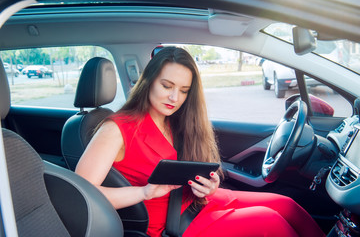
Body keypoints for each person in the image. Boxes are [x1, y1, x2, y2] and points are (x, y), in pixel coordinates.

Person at [75, 47, 325, 237]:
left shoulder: (171, 118)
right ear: (148, 82)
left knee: (287, 205)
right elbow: (82, 194)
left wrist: (209, 185)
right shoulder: (115, 129)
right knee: (270, 221)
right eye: (167, 85)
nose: (175, 97)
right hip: (171, 221)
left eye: (184, 90)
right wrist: (144, 192)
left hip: (194, 201)